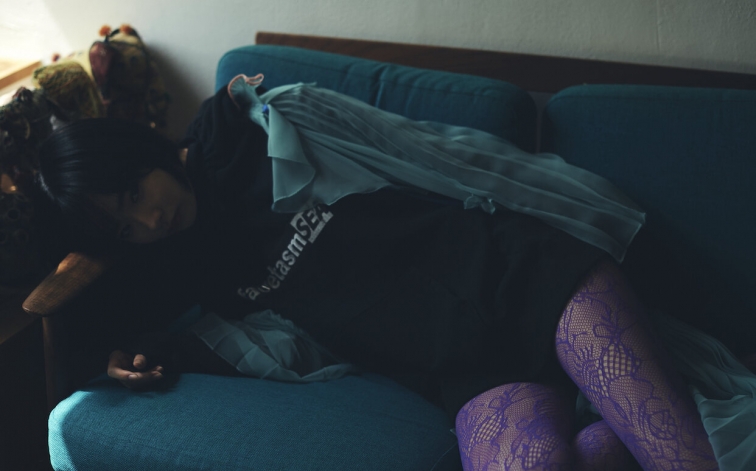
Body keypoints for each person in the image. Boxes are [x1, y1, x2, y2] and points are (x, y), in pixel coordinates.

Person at [34, 75, 720, 471]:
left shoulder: (271, 126)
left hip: (526, 276)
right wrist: (122, 354)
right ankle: (605, 431)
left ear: (143, 151)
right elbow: (230, 341)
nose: (150, 219)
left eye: (135, 193)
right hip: (463, 366)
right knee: (545, 460)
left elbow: (447, 157)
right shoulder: (193, 269)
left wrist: (609, 221)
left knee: (679, 456)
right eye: (126, 227)